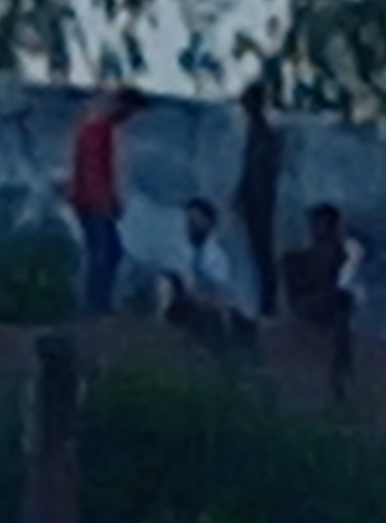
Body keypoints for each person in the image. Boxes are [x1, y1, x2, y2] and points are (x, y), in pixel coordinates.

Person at [64, 85, 149, 315]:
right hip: (92, 201)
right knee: (101, 253)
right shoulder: (97, 129)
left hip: (98, 200)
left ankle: (100, 303)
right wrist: (102, 200)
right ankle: (95, 306)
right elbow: (93, 168)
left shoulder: (106, 129)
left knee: (110, 252)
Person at [278, 201, 364, 398]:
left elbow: (351, 282)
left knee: (343, 306)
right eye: (321, 226)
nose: (324, 231)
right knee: (342, 305)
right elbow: (295, 296)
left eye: (329, 226)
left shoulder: (343, 255)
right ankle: (341, 373)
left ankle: (342, 372)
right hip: (310, 308)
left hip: (332, 310)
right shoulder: (297, 259)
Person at [159, 195, 251, 348]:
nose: (193, 224)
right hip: (182, 304)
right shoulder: (176, 251)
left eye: (198, 220)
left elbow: (222, 287)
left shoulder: (219, 253)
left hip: (211, 305)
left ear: (209, 222)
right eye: (190, 220)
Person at [231, 76, 284, 314]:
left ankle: (268, 301)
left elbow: (264, 170)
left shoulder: (266, 134)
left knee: (263, 251)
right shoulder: (253, 132)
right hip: (254, 198)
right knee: (255, 251)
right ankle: (260, 299)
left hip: (263, 201)